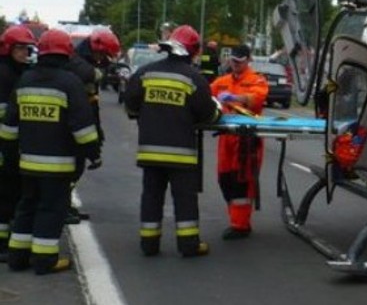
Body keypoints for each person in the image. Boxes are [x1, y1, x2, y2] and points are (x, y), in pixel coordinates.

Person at [1, 29, 101, 275]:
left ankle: (17, 257)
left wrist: (12, 156)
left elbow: (9, 126)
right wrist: (93, 154)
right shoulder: (70, 83)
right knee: (51, 208)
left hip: (27, 164)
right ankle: (45, 260)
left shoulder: (24, 81)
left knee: (26, 206)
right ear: (67, 52)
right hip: (58, 165)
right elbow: (83, 126)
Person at [124, 25, 221, 258]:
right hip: (181, 153)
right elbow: (208, 114)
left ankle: (149, 244)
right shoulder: (193, 78)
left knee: (151, 197)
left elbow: (130, 105)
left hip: (149, 152)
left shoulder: (145, 73)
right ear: (192, 51)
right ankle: (188, 246)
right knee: (185, 199)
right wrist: (217, 113)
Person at [209, 44, 267, 239]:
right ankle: (236, 219)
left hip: (247, 140)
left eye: (240, 62)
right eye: (233, 61)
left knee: (241, 181)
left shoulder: (256, 80)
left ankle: (240, 225)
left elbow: (257, 98)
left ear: (248, 60)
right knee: (225, 179)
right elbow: (207, 93)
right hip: (226, 138)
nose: (236, 65)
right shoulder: (222, 81)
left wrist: (236, 98)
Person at [65, 28, 121, 223]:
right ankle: (61, 206)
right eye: (103, 55)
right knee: (71, 167)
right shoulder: (79, 64)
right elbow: (90, 78)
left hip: (83, 119)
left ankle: (64, 204)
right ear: (95, 49)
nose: (103, 59)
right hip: (73, 124)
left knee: (75, 167)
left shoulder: (84, 60)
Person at [0, 25, 37, 262]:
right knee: (5, 194)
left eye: (27, 48)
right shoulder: (5, 74)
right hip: (3, 144)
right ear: (8, 49)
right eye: (20, 48)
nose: (25, 53)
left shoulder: (16, 71)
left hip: (9, 141)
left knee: (10, 192)